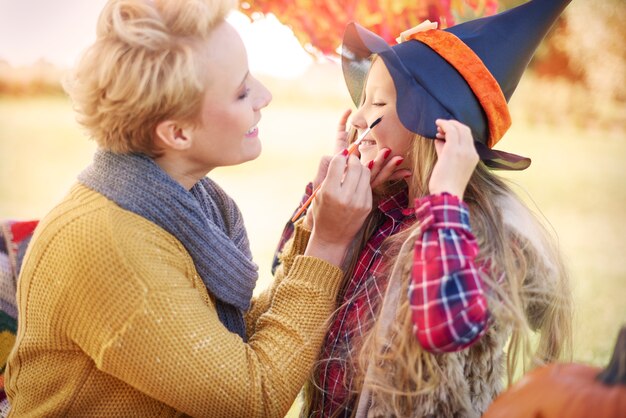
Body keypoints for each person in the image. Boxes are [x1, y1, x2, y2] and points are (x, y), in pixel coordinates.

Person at [3, 0, 400, 416]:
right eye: (242, 91)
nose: (264, 96)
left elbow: (223, 344)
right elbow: (253, 398)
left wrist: (318, 223)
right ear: (176, 132)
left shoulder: (182, 204)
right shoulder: (112, 246)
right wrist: (328, 244)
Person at [274, 0, 573, 416]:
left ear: (436, 124)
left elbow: (446, 330)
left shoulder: (479, 230)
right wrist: (323, 200)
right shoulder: (379, 206)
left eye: (378, 104)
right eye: (363, 100)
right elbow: (284, 277)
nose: (358, 118)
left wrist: (445, 199)